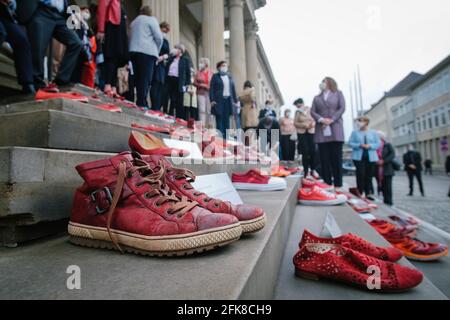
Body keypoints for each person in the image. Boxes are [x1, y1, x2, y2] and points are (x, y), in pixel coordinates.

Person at [15, 0, 83, 90]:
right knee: (38, 48)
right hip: (41, 10)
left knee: (76, 43)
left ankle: (61, 80)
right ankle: (36, 83)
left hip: (60, 15)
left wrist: (75, 17)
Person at [311, 77, 346, 190]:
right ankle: (327, 182)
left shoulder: (338, 94)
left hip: (335, 128)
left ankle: (338, 184)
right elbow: (313, 111)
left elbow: (342, 108)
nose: (322, 83)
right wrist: (321, 119)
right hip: (321, 129)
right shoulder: (317, 98)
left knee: (336, 158)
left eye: (324, 81)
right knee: (324, 158)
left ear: (330, 83)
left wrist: (332, 119)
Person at [128, 5, 163, 109]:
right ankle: (142, 101)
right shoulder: (151, 20)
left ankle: (136, 99)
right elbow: (159, 37)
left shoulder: (134, 22)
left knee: (137, 77)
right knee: (145, 78)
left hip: (133, 51)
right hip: (148, 52)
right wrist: (157, 51)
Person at [0, 0, 34, 93]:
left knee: (22, 40)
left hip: (4, 14)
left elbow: (13, 5)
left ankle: (27, 83)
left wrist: (10, 2)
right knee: (1, 33)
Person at [96, 0, 129, 98]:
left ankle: (114, 86)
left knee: (116, 57)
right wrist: (101, 29)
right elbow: (102, 8)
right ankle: (107, 85)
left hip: (119, 28)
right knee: (110, 55)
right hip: (111, 26)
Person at [349, 116, 380, 198]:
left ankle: (368, 192)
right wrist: (359, 145)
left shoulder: (373, 132)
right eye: (358, 121)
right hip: (358, 157)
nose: (359, 123)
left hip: (371, 157)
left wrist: (370, 146)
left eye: (361, 121)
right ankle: (360, 191)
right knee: (360, 174)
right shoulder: (354, 133)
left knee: (369, 175)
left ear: (366, 122)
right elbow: (350, 143)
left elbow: (378, 144)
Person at [210, 61, 239, 137]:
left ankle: (226, 138)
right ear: (219, 67)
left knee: (227, 120)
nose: (224, 67)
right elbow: (212, 89)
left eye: (225, 66)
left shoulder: (229, 77)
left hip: (228, 101)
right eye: (222, 66)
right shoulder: (215, 76)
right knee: (219, 119)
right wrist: (212, 100)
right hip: (219, 101)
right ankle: (220, 137)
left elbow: (233, 89)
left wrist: (236, 101)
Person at [71, 7, 97, 88]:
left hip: (84, 49)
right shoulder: (76, 20)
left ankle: (77, 82)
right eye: (85, 11)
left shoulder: (85, 25)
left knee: (80, 68)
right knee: (74, 66)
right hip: (77, 46)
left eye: (88, 12)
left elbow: (91, 35)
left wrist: (86, 26)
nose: (87, 13)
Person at [165, 43, 192, 120]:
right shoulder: (171, 58)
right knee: (169, 97)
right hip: (169, 80)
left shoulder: (185, 59)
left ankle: (179, 117)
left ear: (181, 51)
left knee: (179, 99)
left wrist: (187, 85)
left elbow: (188, 73)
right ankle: (168, 113)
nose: (175, 50)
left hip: (180, 82)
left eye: (177, 48)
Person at [294, 98, 316, 177]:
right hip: (302, 133)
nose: (297, 107)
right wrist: (304, 125)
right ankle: (306, 170)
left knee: (313, 151)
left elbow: (315, 119)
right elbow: (295, 123)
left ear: (301, 103)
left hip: (311, 131)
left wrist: (311, 125)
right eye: (296, 106)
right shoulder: (297, 112)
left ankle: (313, 169)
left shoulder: (310, 109)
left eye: (298, 105)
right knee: (305, 151)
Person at [151, 21, 170, 111]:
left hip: (161, 64)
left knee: (160, 84)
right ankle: (154, 106)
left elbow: (168, 53)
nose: (165, 32)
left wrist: (164, 57)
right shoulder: (155, 38)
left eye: (167, 31)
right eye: (164, 29)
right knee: (155, 84)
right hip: (155, 62)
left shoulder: (166, 41)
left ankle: (158, 107)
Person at [377, 131, 396, 206]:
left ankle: (389, 201)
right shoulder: (375, 146)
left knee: (388, 186)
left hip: (387, 169)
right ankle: (385, 200)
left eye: (378, 136)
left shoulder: (387, 145)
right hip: (378, 169)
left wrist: (384, 161)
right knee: (382, 186)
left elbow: (392, 154)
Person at [194, 57, 213, 127]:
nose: (200, 64)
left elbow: (213, 84)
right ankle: (202, 125)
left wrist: (208, 86)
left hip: (209, 93)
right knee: (201, 110)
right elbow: (194, 82)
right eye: (200, 62)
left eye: (202, 62)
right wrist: (201, 85)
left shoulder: (211, 73)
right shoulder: (198, 73)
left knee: (209, 110)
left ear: (206, 64)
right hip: (200, 93)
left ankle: (210, 125)